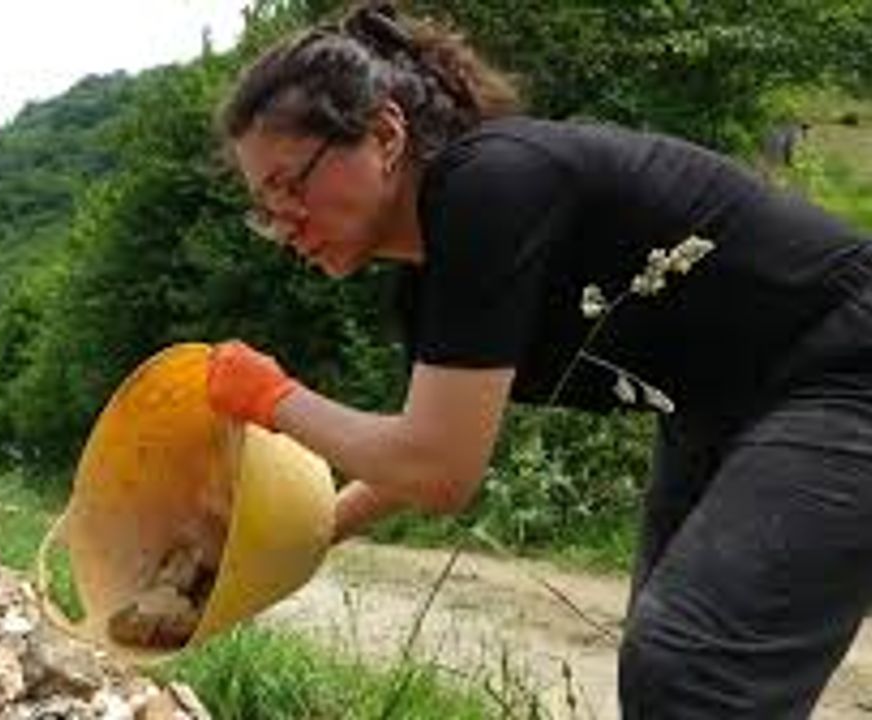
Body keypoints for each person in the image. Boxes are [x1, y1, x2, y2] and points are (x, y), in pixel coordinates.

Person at [204, 2, 872, 717]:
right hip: (721, 409)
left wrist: (269, 397)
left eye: (290, 185)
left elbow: (438, 471)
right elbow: (424, 453)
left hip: (843, 366)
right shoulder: (432, 279)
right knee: (672, 679)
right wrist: (288, 546)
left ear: (384, 134)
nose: (283, 224)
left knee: (690, 667)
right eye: (263, 207)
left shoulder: (490, 186)